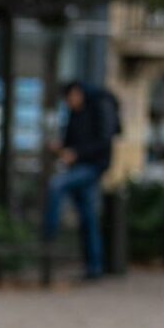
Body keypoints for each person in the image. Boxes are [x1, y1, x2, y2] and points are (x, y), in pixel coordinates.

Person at [42, 79, 113, 279]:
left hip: (91, 167)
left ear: (77, 93)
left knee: (57, 185)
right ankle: (94, 266)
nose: (68, 102)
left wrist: (77, 154)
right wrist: (61, 147)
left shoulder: (96, 111)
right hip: (79, 166)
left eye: (69, 98)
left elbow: (102, 143)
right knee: (88, 217)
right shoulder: (74, 114)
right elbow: (70, 141)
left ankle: (49, 234)